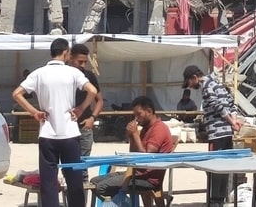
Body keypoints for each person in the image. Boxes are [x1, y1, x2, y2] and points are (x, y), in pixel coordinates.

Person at [12, 38, 99, 207]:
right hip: (69, 133)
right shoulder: (73, 73)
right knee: (74, 180)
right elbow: (93, 91)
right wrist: (80, 109)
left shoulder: (38, 73)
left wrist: (34, 112)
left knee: (49, 183)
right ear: (66, 53)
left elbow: (17, 94)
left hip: (47, 133)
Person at [89, 96, 176, 199]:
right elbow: (134, 154)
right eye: (135, 115)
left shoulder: (158, 129)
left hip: (148, 179)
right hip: (138, 173)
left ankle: (118, 202)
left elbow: (146, 158)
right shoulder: (146, 129)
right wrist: (131, 137)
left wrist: (135, 135)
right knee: (94, 182)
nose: (137, 118)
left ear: (149, 111)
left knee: (101, 187)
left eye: (139, 114)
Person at [183, 64, 241, 207]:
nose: (190, 86)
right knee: (225, 165)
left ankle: (215, 200)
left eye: (190, 82)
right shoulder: (218, 84)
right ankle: (221, 198)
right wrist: (234, 121)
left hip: (216, 133)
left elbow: (217, 106)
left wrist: (231, 121)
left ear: (195, 77)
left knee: (215, 166)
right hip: (227, 133)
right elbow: (231, 104)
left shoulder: (206, 86)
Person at [69, 42, 104, 162]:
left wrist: (92, 118)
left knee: (83, 161)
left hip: (84, 124)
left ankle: (83, 181)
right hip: (67, 124)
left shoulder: (89, 76)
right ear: (70, 57)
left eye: (85, 62)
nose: (83, 65)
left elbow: (99, 101)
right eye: (80, 62)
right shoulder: (62, 75)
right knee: (68, 160)